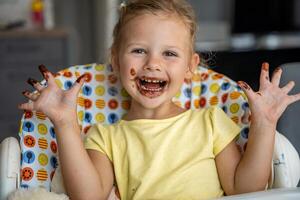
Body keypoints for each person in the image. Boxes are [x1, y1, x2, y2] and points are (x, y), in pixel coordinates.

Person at [18, 0, 300, 199]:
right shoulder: (105, 137)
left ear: (191, 67)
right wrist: (65, 122)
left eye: (169, 53)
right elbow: (88, 196)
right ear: (115, 61)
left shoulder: (211, 121)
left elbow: (245, 190)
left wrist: (264, 124)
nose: (153, 63)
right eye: (139, 50)